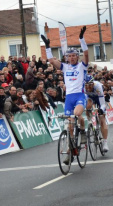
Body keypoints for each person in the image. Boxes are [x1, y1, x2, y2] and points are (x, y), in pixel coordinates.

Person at [42, 25, 88, 164]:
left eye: (74, 55)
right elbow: (51, 61)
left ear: (77, 57)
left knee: (77, 114)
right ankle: (69, 152)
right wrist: (47, 47)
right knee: (69, 127)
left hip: (79, 96)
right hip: (68, 98)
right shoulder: (64, 66)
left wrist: (81, 39)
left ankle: (83, 131)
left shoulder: (82, 65)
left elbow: (86, 54)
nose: (72, 58)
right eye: (69, 56)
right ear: (66, 57)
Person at [84, 75, 109, 152]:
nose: (88, 87)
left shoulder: (97, 86)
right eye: (86, 85)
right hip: (90, 97)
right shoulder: (83, 88)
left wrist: (101, 110)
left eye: (89, 85)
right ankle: (90, 124)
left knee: (102, 118)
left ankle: (105, 142)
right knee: (87, 107)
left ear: (93, 84)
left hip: (99, 98)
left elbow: (102, 104)